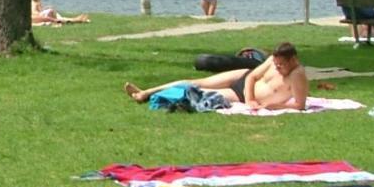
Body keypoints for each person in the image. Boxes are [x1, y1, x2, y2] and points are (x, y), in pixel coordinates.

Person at [124, 41, 309, 111]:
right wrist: (252, 98)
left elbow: (299, 105)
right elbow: (252, 77)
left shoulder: (297, 75)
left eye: (281, 65)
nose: (278, 67)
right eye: (276, 64)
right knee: (196, 81)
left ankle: (155, 98)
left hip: (240, 96)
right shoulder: (271, 60)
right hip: (244, 80)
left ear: (293, 60)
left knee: (196, 91)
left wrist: (268, 105)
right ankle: (145, 92)